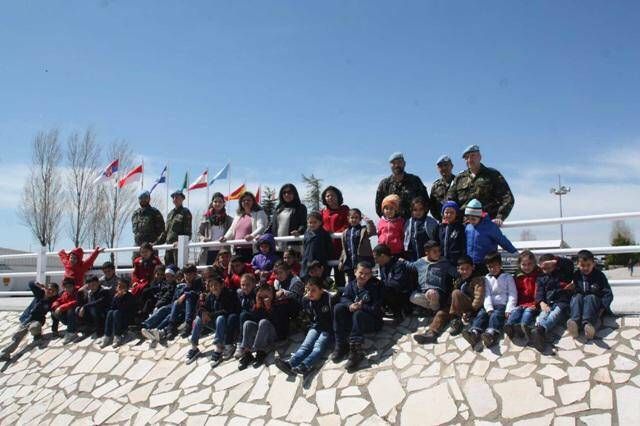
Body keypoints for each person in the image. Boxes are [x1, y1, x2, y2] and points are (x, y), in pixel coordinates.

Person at [331, 262, 383, 371]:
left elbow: (376, 309)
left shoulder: (376, 286)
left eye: (367, 274)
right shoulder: (351, 284)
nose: (363, 276)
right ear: (355, 272)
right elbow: (344, 298)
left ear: (371, 274)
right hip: (356, 320)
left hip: (372, 321)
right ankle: (341, 345)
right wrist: (350, 305)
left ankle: (356, 352)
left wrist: (361, 307)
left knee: (358, 313)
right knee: (338, 308)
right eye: (361, 273)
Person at [276, 277, 333, 376]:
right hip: (315, 326)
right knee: (305, 346)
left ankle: (306, 365)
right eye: (307, 290)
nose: (310, 293)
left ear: (321, 290)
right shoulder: (306, 300)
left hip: (327, 329)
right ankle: (290, 363)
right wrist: (304, 299)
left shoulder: (328, 299)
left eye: (313, 290)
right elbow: (307, 315)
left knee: (318, 346)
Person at [447, 144, 515, 226]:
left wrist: (500, 217)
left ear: (480, 157)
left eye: (472, 156)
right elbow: (450, 202)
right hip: (463, 226)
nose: (469, 160)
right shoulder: (459, 178)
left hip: (486, 224)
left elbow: (508, 198)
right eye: (466, 157)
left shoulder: (492, 175)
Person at [462, 252, 517, 349]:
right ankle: (474, 332)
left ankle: (491, 334)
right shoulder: (486, 279)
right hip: (489, 304)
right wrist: (488, 308)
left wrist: (509, 309)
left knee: (496, 316)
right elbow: (486, 294)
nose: (492, 269)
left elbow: (513, 294)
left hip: (502, 305)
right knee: (481, 314)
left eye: (495, 266)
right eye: (489, 267)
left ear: (500, 265)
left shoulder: (507, 277)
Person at [407, 241, 458, 344]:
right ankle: (431, 332)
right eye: (435, 251)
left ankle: (431, 332)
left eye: (439, 251)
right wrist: (400, 261)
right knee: (413, 297)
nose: (438, 253)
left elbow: (456, 272)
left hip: (438, 295)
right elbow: (410, 265)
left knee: (436, 302)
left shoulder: (444, 263)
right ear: (427, 252)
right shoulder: (421, 262)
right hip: (426, 295)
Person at [187, 275, 241, 365]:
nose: (213, 287)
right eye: (211, 286)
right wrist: (203, 313)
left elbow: (227, 311)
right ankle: (194, 347)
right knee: (198, 319)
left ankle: (219, 347)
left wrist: (210, 315)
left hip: (227, 326)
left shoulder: (230, 294)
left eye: (216, 285)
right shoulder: (210, 296)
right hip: (216, 324)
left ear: (222, 285)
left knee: (220, 318)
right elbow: (202, 307)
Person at [0, 281, 59, 361]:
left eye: (53, 291)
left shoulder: (52, 301)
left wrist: (54, 330)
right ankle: (5, 354)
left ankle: (37, 336)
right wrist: (39, 285)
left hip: (37, 320)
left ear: (55, 293)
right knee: (17, 336)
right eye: (49, 289)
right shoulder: (40, 293)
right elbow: (30, 284)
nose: (50, 292)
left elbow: (54, 316)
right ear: (46, 288)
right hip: (26, 318)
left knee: (35, 327)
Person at [530, 253, 575, 352]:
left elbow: (570, 264)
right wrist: (541, 303)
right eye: (543, 268)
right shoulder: (541, 278)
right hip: (547, 303)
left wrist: (556, 261)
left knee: (554, 315)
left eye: (549, 267)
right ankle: (538, 332)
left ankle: (541, 329)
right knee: (543, 314)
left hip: (562, 302)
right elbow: (539, 292)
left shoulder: (563, 273)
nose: (546, 270)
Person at [237, 284, 289, 370]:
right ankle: (247, 353)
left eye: (266, 296)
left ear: (272, 293)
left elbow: (280, 323)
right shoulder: (259, 304)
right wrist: (257, 306)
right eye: (262, 297)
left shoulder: (279, 301)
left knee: (263, 322)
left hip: (276, 333)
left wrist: (269, 308)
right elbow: (255, 320)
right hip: (264, 333)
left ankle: (260, 352)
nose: (264, 299)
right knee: (247, 323)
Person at [567, 250, 613, 341]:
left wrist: (603, 308)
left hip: (594, 306)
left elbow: (608, 294)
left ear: (594, 263)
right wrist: (571, 289)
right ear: (578, 265)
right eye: (582, 265)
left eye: (588, 265)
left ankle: (588, 326)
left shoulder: (599, 276)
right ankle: (574, 324)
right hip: (581, 307)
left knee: (590, 297)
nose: (586, 268)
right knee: (577, 296)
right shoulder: (576, 275)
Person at [464, 199, 517, 274]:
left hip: (486, 264)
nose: (471, 221)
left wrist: (514, 252)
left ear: (480, 216)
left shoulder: (490, 227)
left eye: (473, 219)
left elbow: (502, 240)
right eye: (468, 218)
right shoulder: (468, 227)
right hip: (471, 264)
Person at [375, 152, 429, 219]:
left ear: (404, 164)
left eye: (399, 162)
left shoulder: (415, 180)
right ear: (390, 165)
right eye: (393, 163)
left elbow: (426, 202)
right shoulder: (384, 184)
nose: (396, 165)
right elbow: (379, 208)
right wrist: (388, 222)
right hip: (393, 226)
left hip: (412, 225)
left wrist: (419, 221)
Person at [504, 251, 540, 342]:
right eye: (524, 264)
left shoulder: (538, 275)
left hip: (532, 303)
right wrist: (513, 305)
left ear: (534, 264)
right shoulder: (517, 276)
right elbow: (513, 291)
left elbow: (539, 290)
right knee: (516, 311)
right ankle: (510, 325)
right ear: (519, 265)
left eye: (529, 264)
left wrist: (536, 303)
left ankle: (523, 326)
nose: (527, 267)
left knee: (527, 312)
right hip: (520, 302)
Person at [222, 191, 268, 262]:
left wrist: (252, 236)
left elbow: (261, 227)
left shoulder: (259, 212)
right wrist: (225, 237)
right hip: (237, 250)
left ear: (253, 201)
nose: (246, 202)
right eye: (243, 200)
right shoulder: (238, 215)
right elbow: (231, 230)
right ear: (241, 203)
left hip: (251, 250)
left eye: (248, 200)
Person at [447, 255, 486, 336]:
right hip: (463, 308)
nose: (465, 271)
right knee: (454, 293)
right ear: (458, 269)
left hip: (473, 308)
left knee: (456, 293)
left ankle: (457, 319)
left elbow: (479, 298)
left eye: (467, 268)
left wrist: (471, 311)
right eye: (462, 269)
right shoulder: (458, 280)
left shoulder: (477, 280)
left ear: (473, 267)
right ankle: (456, 320)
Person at [374, 244, 414, 322]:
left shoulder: (398, 264)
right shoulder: (382, 266)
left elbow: (396, 283)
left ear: (382, 256)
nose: (375, 261)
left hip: (402, 295)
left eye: (376, 258)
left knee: (385, 289)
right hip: (389, 293)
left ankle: (398, 314)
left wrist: (380, 286)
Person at [320, 186, 350, 287]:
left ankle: (341, 299)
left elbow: (348, 224)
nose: (330, 197)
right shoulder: (322, 212)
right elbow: (318, 226)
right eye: (327, 196)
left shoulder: (345, 209)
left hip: (340, 248)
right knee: (324, 277)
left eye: (333, 195)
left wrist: (336, 233)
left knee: (340, 277)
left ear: (338, 196)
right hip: (326, 249)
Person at [140, 266, 179, 339]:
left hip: (171, 305)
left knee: (163, 311)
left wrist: (158, 305)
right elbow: (161, 294)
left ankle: (150, 327)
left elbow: (168, 297)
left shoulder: (174, 285)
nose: (168, 278)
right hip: (166, 304)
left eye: (170, 276)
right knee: (159, 310)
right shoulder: (164, 284)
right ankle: (149, 328)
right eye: (167, 276)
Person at [268, 183, 308, 254]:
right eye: (284, 193)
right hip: (278, 247)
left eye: (289, 192)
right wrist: (262, 235)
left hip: (293, 247)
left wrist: (299, 231)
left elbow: (304, 224)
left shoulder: (301, 208)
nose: (287, 194)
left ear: (294, 193)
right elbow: (271, 226)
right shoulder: (278, 209)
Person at [338, 208, 376, 282]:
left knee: (364, 281)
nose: (354, 220)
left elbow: (372, 231)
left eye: (356, 217)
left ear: (360, 219)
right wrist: (341, 261)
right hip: (350, 263)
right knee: (351, 282)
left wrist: (368, 221)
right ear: (348, 218)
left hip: (361, 261)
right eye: (352, 217)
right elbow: (344, 249)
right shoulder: (345, 232)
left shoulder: (363, 230)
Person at [156, 190, 192, 266]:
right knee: (169, 270)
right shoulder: (170, 214)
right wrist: (155, 243)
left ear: (182, 199)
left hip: (179, 248)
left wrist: (180, 242)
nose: (175, 199)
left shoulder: (185, 212)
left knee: (179, 270)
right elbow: (165, 232)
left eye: (177, 197)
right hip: (169, 248)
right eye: (173, 197)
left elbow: (188, 232)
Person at [197, 192, 233, 265]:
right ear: (212, 203)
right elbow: (199, 233)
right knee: (208, 273)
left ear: (224, 203)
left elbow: (232, 233)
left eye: (220, 202)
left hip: (223, 252)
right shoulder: (205, 218)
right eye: (215, 201)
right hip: (207, 251)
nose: (217, 204)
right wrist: (202, 238)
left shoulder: (229, 219)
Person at [100, 277, 135, 348]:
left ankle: (117, 336)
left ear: (127, 288)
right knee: (110, 312)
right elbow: (112, 307)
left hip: (126, 319)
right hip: (117, 318)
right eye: (119, 286)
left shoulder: (129, 296)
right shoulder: (116, 295)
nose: (120, 288)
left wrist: (120, 298)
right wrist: (116, 298)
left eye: (123, 286)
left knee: (116, 312)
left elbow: (123, 309)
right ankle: (107, 335)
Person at [301, 211, 334, 280]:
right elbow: (304, 247)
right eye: (310, 223)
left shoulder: (324, 234)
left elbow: (329, 248)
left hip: (320, 263)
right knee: (308, 282)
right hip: (307, 262)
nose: (312, 224)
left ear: (320, 222)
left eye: (315, 222)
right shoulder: (306, 234)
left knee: (319, 282)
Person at [403, 196, 438, 261]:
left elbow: (436, 239)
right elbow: (406, 239)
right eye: (415, 210)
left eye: (421, 209)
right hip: (412, 257)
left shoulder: (431, 222)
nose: (418, 212)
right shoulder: (408, 223)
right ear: (411, 210)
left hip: (428, 257)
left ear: (425, 209)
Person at [233, 273, 258, 359]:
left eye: (248, 285)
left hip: (256, 320)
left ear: (253, 285)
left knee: (243, 315)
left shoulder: (256, 295)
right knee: (234, 316)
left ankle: (240, 344)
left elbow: (256, 311)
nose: (245, 287)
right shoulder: (241, 295)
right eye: (242, 285)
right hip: (245, 319)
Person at [51, 278, 84, 343]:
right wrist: (56, 306)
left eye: (70, 287)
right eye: (65, 287)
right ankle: (55, 330)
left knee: (71, 310)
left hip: (80, 315)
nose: (68, 289)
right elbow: (58, 301)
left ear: (73, 286)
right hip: (70, 318)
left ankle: (71, 333)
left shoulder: (79, 292)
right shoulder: (64, 293)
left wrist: (61, 307)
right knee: (54, 312)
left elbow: (76, 302)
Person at [437, 201, 466, 265]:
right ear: (443, 213)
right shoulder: (439, 227)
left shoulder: (460, 228)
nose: (449, 215)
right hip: (441, 261)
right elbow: (437, 243)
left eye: (452, 213)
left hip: (455, 262)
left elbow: (463, 245)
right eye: (446, 212)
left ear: (456, 214)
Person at [429, 155, 456, 221]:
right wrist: (441, 219)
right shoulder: (435, 186)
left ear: (452, 166)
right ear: (438, 169)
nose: (443, 168)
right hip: (442, 223)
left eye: (446, 165)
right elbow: (432, 207)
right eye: (440, 166)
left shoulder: (459, 181)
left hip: (458, 223)